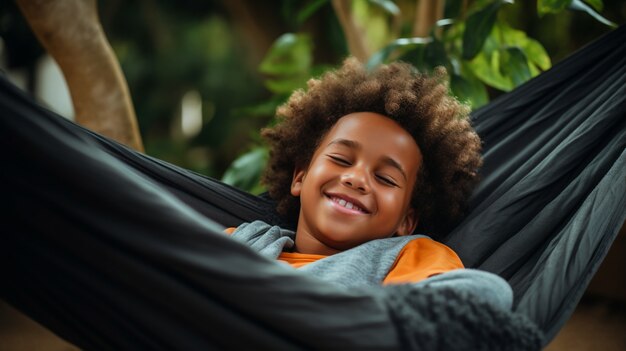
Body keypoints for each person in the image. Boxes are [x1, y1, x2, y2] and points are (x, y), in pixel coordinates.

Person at [225, 57, 512, 308]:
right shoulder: (243, 240)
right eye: (341, 159)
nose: (357, 178)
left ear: (406, 221)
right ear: (300, 176)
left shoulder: (407, 255)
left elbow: (480, 297)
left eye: (385, 178)